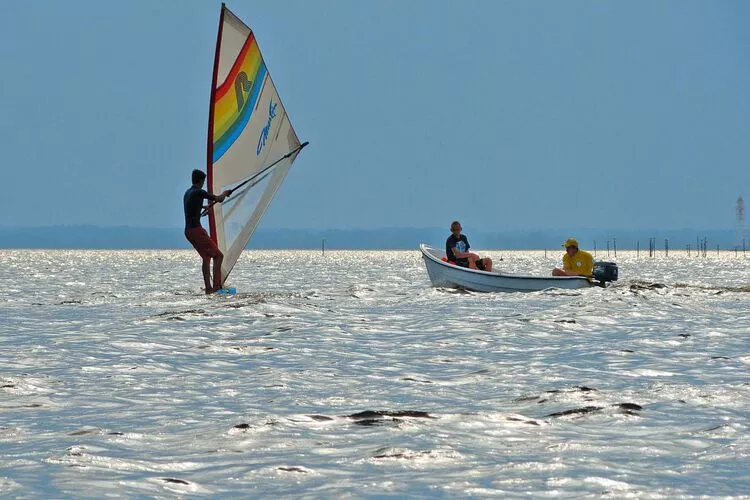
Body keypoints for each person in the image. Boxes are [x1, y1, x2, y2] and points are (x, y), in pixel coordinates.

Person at [184, 169, 231, 294]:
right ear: (200, 181)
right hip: (196, 231)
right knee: (218, 256)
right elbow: (219, 199)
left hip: (188, 231)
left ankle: (208, 289)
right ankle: (216, 287)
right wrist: (225, 193)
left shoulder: (188, 193)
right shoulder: (200, 192)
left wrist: (203, 208)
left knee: (206, 257)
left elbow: (193, 207)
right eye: (203, 181)